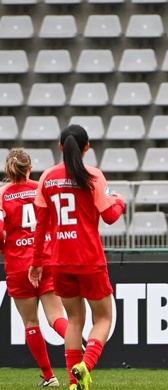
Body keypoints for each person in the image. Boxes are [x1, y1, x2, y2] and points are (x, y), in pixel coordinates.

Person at [28, 124, 125, 390]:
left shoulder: (47, 178)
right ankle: (86, 365)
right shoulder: (93, 176)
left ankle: (73, 382)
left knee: (74, 320)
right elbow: (110, 216)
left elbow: (40, 227)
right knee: (104, 318)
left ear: (60, 146)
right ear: (86, 147)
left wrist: (36, 263)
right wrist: (119, 201)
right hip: (90, 259)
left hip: (59, 260)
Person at [0, 148, 68, 388]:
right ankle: (80, 350)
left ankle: (50, 377)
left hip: (18, 265)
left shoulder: (1, 194)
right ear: (30, 168)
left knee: (31, 323)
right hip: (47, 259)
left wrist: (5, 248)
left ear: (8, 169)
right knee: (56, 317)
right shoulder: (42, 187)